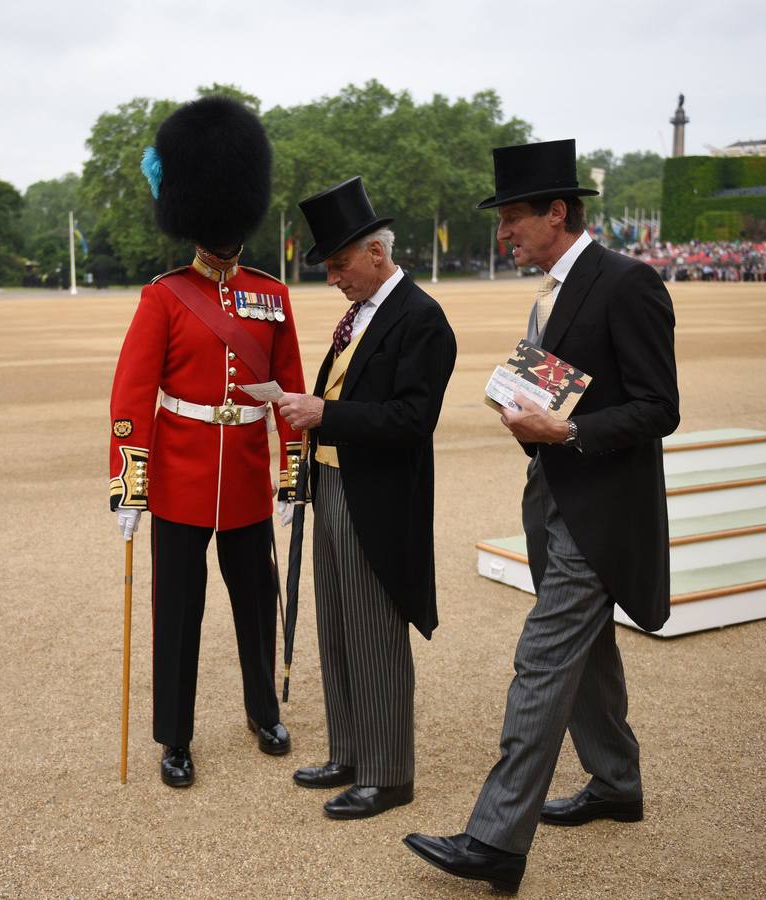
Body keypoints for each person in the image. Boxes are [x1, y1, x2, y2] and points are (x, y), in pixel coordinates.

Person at [403, 139, 680, 892]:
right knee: (585, 654)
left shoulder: (629, 283)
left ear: (558, 213)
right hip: (555, 499)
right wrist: (523, 401)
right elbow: (566, 387)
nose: (503, 236)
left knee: (541, 661)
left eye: (513, 221)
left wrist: (570, 431)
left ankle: (496, 841)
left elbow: (661, 408)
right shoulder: (551, 293)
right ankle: (617, 783)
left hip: (602, 510)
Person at [108, 96, 307, 788]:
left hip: (248, 476)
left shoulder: (270, 295)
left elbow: (290, 391)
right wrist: (130, 485)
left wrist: (292, 476)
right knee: (178, 612)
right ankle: (176, 735)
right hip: (181, 477)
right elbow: (131, 396)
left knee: (257, 602)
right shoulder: (163, 296)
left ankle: (264, 710)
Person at [277, 177, 456, 819]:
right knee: (336, 626)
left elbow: (411, 420)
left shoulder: (422, 319)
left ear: (375, 254)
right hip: (333, 487)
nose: (332, 277)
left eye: (339, 263)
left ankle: (389, 773)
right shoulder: (362, 315)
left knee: (375, 631)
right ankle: (351, 751)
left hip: (375, 498)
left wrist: (324, 412)